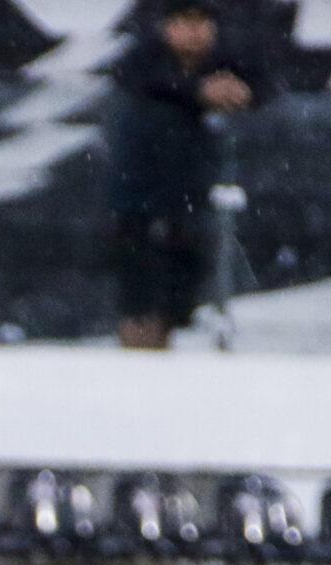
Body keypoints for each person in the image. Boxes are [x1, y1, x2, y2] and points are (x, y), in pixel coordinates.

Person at [106, 0, 271, 349]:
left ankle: (170, 327)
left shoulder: (225, 62)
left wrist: (241, 92)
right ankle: (142, 331)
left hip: (193, 192)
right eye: (184, 21)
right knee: (142, 269)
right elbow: (146, 82)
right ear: (167, 26)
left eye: (202, 22)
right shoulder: (145, 61)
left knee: (186, 267)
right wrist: (197, 94)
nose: (195, 32)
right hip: (145, 187)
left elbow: (264, 85)